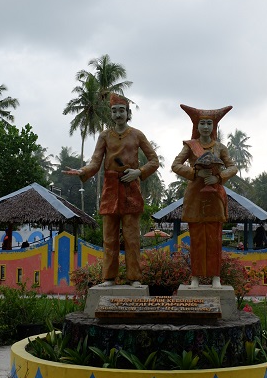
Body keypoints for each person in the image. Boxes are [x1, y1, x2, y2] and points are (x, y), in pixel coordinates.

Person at [63, 93, 159, 287]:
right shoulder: (105, 135)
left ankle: (134, 278)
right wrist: (82, 170)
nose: (118, 114)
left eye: (121, 110)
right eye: (114, 111)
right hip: (110, 190)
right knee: (109, 238)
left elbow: (154, 161)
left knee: (132, 238)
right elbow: (95, 161)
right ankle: (109, 278)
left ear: (128, 113)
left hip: (131, 189)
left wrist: (138, 172)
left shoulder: (137, 134)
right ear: (111, 114)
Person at [172, 104, 237, 288]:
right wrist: (194, 174)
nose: (206, 127)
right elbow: (176, 165)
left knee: (215, 239)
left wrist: (219, 177)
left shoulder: (220, 147)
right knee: (197, 239)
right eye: (203, 123)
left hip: (215, 195)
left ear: (213, 127)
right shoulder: (190, 146)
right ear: (197, 126)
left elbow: (233, 167)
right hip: (195, 197)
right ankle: (196, 277)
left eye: (209, 123)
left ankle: (216, 276)